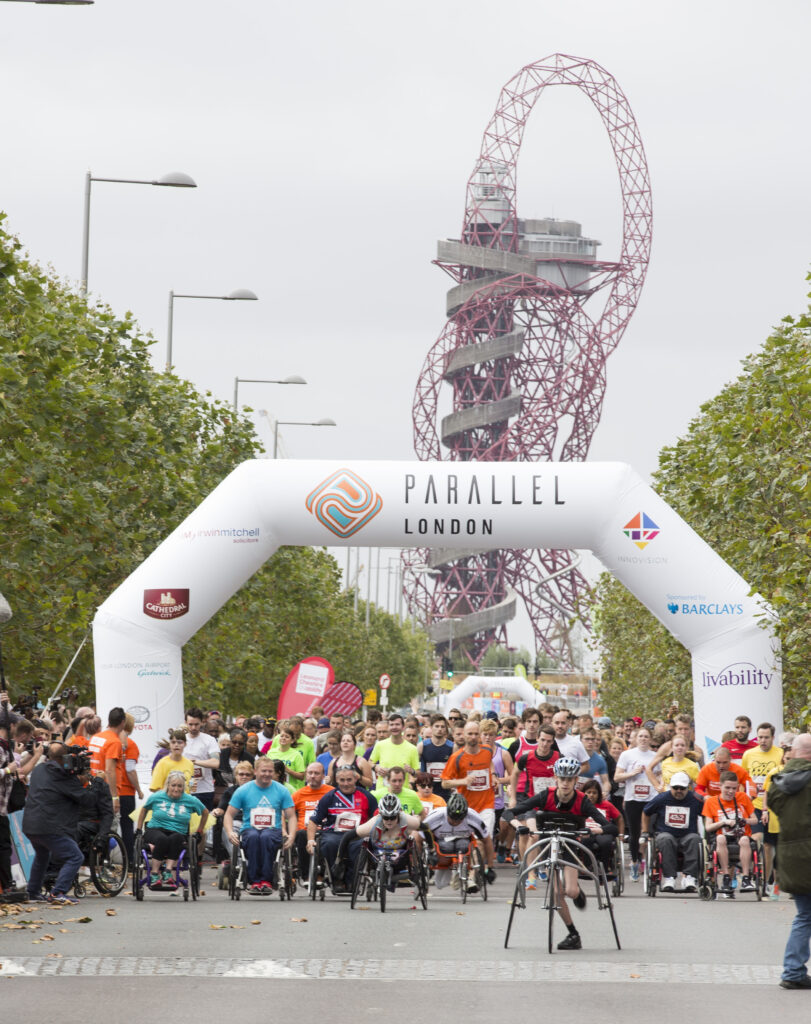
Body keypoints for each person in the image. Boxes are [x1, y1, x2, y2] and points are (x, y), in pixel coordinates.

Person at [503, 756, 618, 950]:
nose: (565, 783)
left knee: (571, 891)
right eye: (562, 779)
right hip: (548, 845)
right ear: (555, 777)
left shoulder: (582, 801)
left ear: (575, 780)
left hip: (570, 846)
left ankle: (577, 891)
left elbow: (611, 828)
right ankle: (573, 933)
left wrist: (594, 830)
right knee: (557, 894)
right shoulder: (545, 796)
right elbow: (509, 813)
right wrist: (518, 826)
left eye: (570, 779)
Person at [22, 742, 100, 905]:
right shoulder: (64, 776)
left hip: (31, 825)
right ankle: (57, 892)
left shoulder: (39, 769)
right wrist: (94, 782)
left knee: (42, 855)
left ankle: (33, 892)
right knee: (75, 856)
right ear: (65, 758)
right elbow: (87, 800)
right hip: (50, 826)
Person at [766, 733, 811, 989]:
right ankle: (793, 970)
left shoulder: (778, 782)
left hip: (792, 858)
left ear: (793, 753)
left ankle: (793, 971)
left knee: (804, 916)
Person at [223, 756, 296, 895]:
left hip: (273, 830)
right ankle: (254, 880)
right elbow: (228, 815)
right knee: (254, 837)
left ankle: (267, 880)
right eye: (264, 771)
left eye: (270, 771)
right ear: (255, 771)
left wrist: (291, 836)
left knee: (266, 837)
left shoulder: (282, 790)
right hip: (250, 829)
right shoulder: (243, 790)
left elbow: (291, 816)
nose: (267, 774)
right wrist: (230, 832)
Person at [307, 764, 378, 889]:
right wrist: (311, 840)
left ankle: (352, 880)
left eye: (349, 780)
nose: (346, 783)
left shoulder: (367, 796)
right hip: (333, 833)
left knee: (361, 846)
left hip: (358, 834)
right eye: (342, 780)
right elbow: (314, 820)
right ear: (337, 780)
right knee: (329, 843)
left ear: (356, 778)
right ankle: (336, 879)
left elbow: (377, 818)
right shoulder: (329, 797)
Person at [136, 770, 208, 889]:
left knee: (177, 838)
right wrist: (139, 829)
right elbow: (144, 809)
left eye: (179, 786)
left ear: (183, 787)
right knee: (162, 839)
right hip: (155, 829)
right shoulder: (157, 796)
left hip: (178, 832)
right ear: (168, 785)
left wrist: (199, 831)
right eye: (173, 785)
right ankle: (154, 873)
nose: (176, 789)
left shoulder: (190, 800)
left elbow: (205, 812)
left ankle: (168, 872)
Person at [641, 771, 704, 893]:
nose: (679, 790)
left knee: (695, 839)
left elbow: (706, 814)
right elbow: (646, 812)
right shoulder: (662, 798)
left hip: (687, 835)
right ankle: (669, 877)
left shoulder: (695, 799)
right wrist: (645, 831)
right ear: (670, 787)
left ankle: (689, 877)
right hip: (665, 834)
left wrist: (708, 831)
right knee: (666, 839)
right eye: (675, 788)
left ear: (688, 788)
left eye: (682, 788)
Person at [423, 792, 493, 891]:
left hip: (464, 843)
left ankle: (469, 876)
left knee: (473, 844)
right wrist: (431, 852)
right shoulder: (436, 817)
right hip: (443, 847)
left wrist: (489, 867)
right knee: (440, 884)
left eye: (459, 819)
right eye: (452, 819)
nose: (455, 822)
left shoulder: (473, 817)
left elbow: (487, 840)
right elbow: (419, 837)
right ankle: (454, 870)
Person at [614, 726, 659, 880]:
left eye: (646, 736)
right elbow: (616, 777)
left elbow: (660, 776)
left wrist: (659, 786)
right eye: (641, 736)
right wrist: (631, 773)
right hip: (633, 798)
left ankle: (647, 861)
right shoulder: (627, 755)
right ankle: (634, 861)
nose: (643, 739)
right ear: (635, 738)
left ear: (651, 739)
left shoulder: (655, 756)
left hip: (651, 799)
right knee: (634, 833)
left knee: (649, 833)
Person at [702, 771, 758, 894]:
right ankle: (726, 877)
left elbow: (755, 820)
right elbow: (708, 827)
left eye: (734, 788)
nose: (731, 791)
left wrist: (744, 820)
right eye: (727, 788)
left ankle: (746, 877)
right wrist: (724, 822)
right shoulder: (711, 802)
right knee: (720, 838)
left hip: (740, 836)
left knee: (744, 839)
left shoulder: (743, 797)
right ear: (720, 786)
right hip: (722, 837)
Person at [355, 792, 421, 891]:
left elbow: (426, 829)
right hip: (377, 857)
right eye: (386, 817)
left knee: (414, 836)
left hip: (400, 857)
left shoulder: (407, 819)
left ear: (398, 814)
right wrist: (338, 861)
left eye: (393, 817)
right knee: (364, 842)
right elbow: (349, 836)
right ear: (381, 814)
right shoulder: (375, 821)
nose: (389, 821)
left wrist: (432, 849)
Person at [292, 761, 334, 884]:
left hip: (324, 829)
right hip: (303, 831)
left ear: (323, 776)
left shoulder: (331, 792)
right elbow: (287, 812)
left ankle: (320, 875)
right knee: (300, 835)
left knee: (324, 838)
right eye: (310, 773)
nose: (313, 776)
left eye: (316, 773)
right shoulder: (298, 794)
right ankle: (306, 876)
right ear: (306, 775)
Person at [88, 707, 126, 822]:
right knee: (109, 829)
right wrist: (114, 797)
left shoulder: (95, 737)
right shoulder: (114, 742)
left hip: (93, 788)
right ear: (123, 722)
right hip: (106, 793)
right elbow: (109, 770)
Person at [184, 707, 221, 812]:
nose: (194, 727)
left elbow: (216, 762)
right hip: (184, 790)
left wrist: (195, 762)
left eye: (197, 724)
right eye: (190, 724)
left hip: (205, 789)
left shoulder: (209, 740)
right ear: (186, 723)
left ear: (202, 722)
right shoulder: (180, 740)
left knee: (205, 825)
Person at [369, 714, 419, 788]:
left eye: (397, 724)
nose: (394, 727)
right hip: (382, 790)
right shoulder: (380, 745)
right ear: (388, 727)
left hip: (402, 791)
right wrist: (376, 768)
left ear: (403, 727)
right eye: (391, 725)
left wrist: (411, 771)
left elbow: (417, 773)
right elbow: (370, 762)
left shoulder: (412, 749)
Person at [418, 714, 453, 795]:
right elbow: (416, 769)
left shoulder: (451, 747)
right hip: (426, 791)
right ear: (431, 727)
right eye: (437, 726)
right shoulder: (422, 746)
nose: (440, 729)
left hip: (445, 791)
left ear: (446, 729)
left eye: (442, 727)